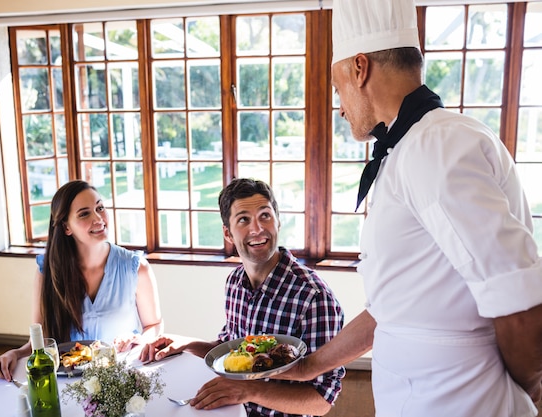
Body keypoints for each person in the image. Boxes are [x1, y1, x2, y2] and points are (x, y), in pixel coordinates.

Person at [276, 0, 542, 416]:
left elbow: (519, 304)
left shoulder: (437, 145)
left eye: (337, 88)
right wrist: (311, 366)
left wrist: (529, 394)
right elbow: (391, 308)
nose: (340, 107)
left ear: (359, 68)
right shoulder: (406, 150)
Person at [140, 178, 345, 417]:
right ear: (228, 233)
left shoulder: (314, 297)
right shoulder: (235, 282)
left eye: (265, 216)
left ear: (278, 221)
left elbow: (322, 400)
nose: (257, 229)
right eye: (244, 220)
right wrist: (187, 345)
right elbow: (232, 349)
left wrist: (248, 391)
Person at [0, 180, 163, 381]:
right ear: (66, 227)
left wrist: (139, 340)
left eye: (100, 208)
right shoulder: (48, 273)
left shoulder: (136, 267)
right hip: (68, 384)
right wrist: (15, 354)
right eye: (84, 213)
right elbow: (40, 340)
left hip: (122, 378)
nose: (98, 218)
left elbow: (154, 325)